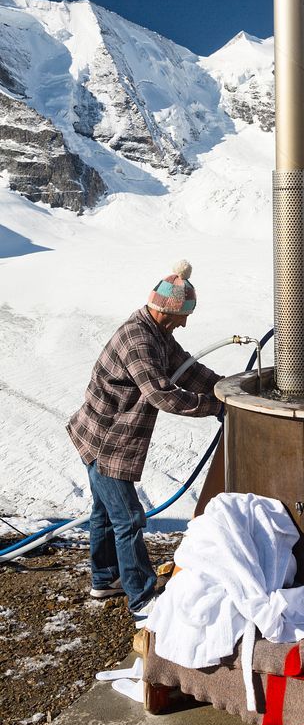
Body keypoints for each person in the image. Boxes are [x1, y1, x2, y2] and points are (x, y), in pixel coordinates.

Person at [67, 260, 223, 624]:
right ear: (167, 310)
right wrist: (214, 405)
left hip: (101, 438)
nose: (185, 322)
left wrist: (227, 388)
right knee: (128, 520)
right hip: (107, 443)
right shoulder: (138, 340)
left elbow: (187, 367)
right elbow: (162, 394)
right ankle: (141, 601)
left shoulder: (157, 334)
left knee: (104, 514)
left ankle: (105, 579)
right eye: (183, 316)